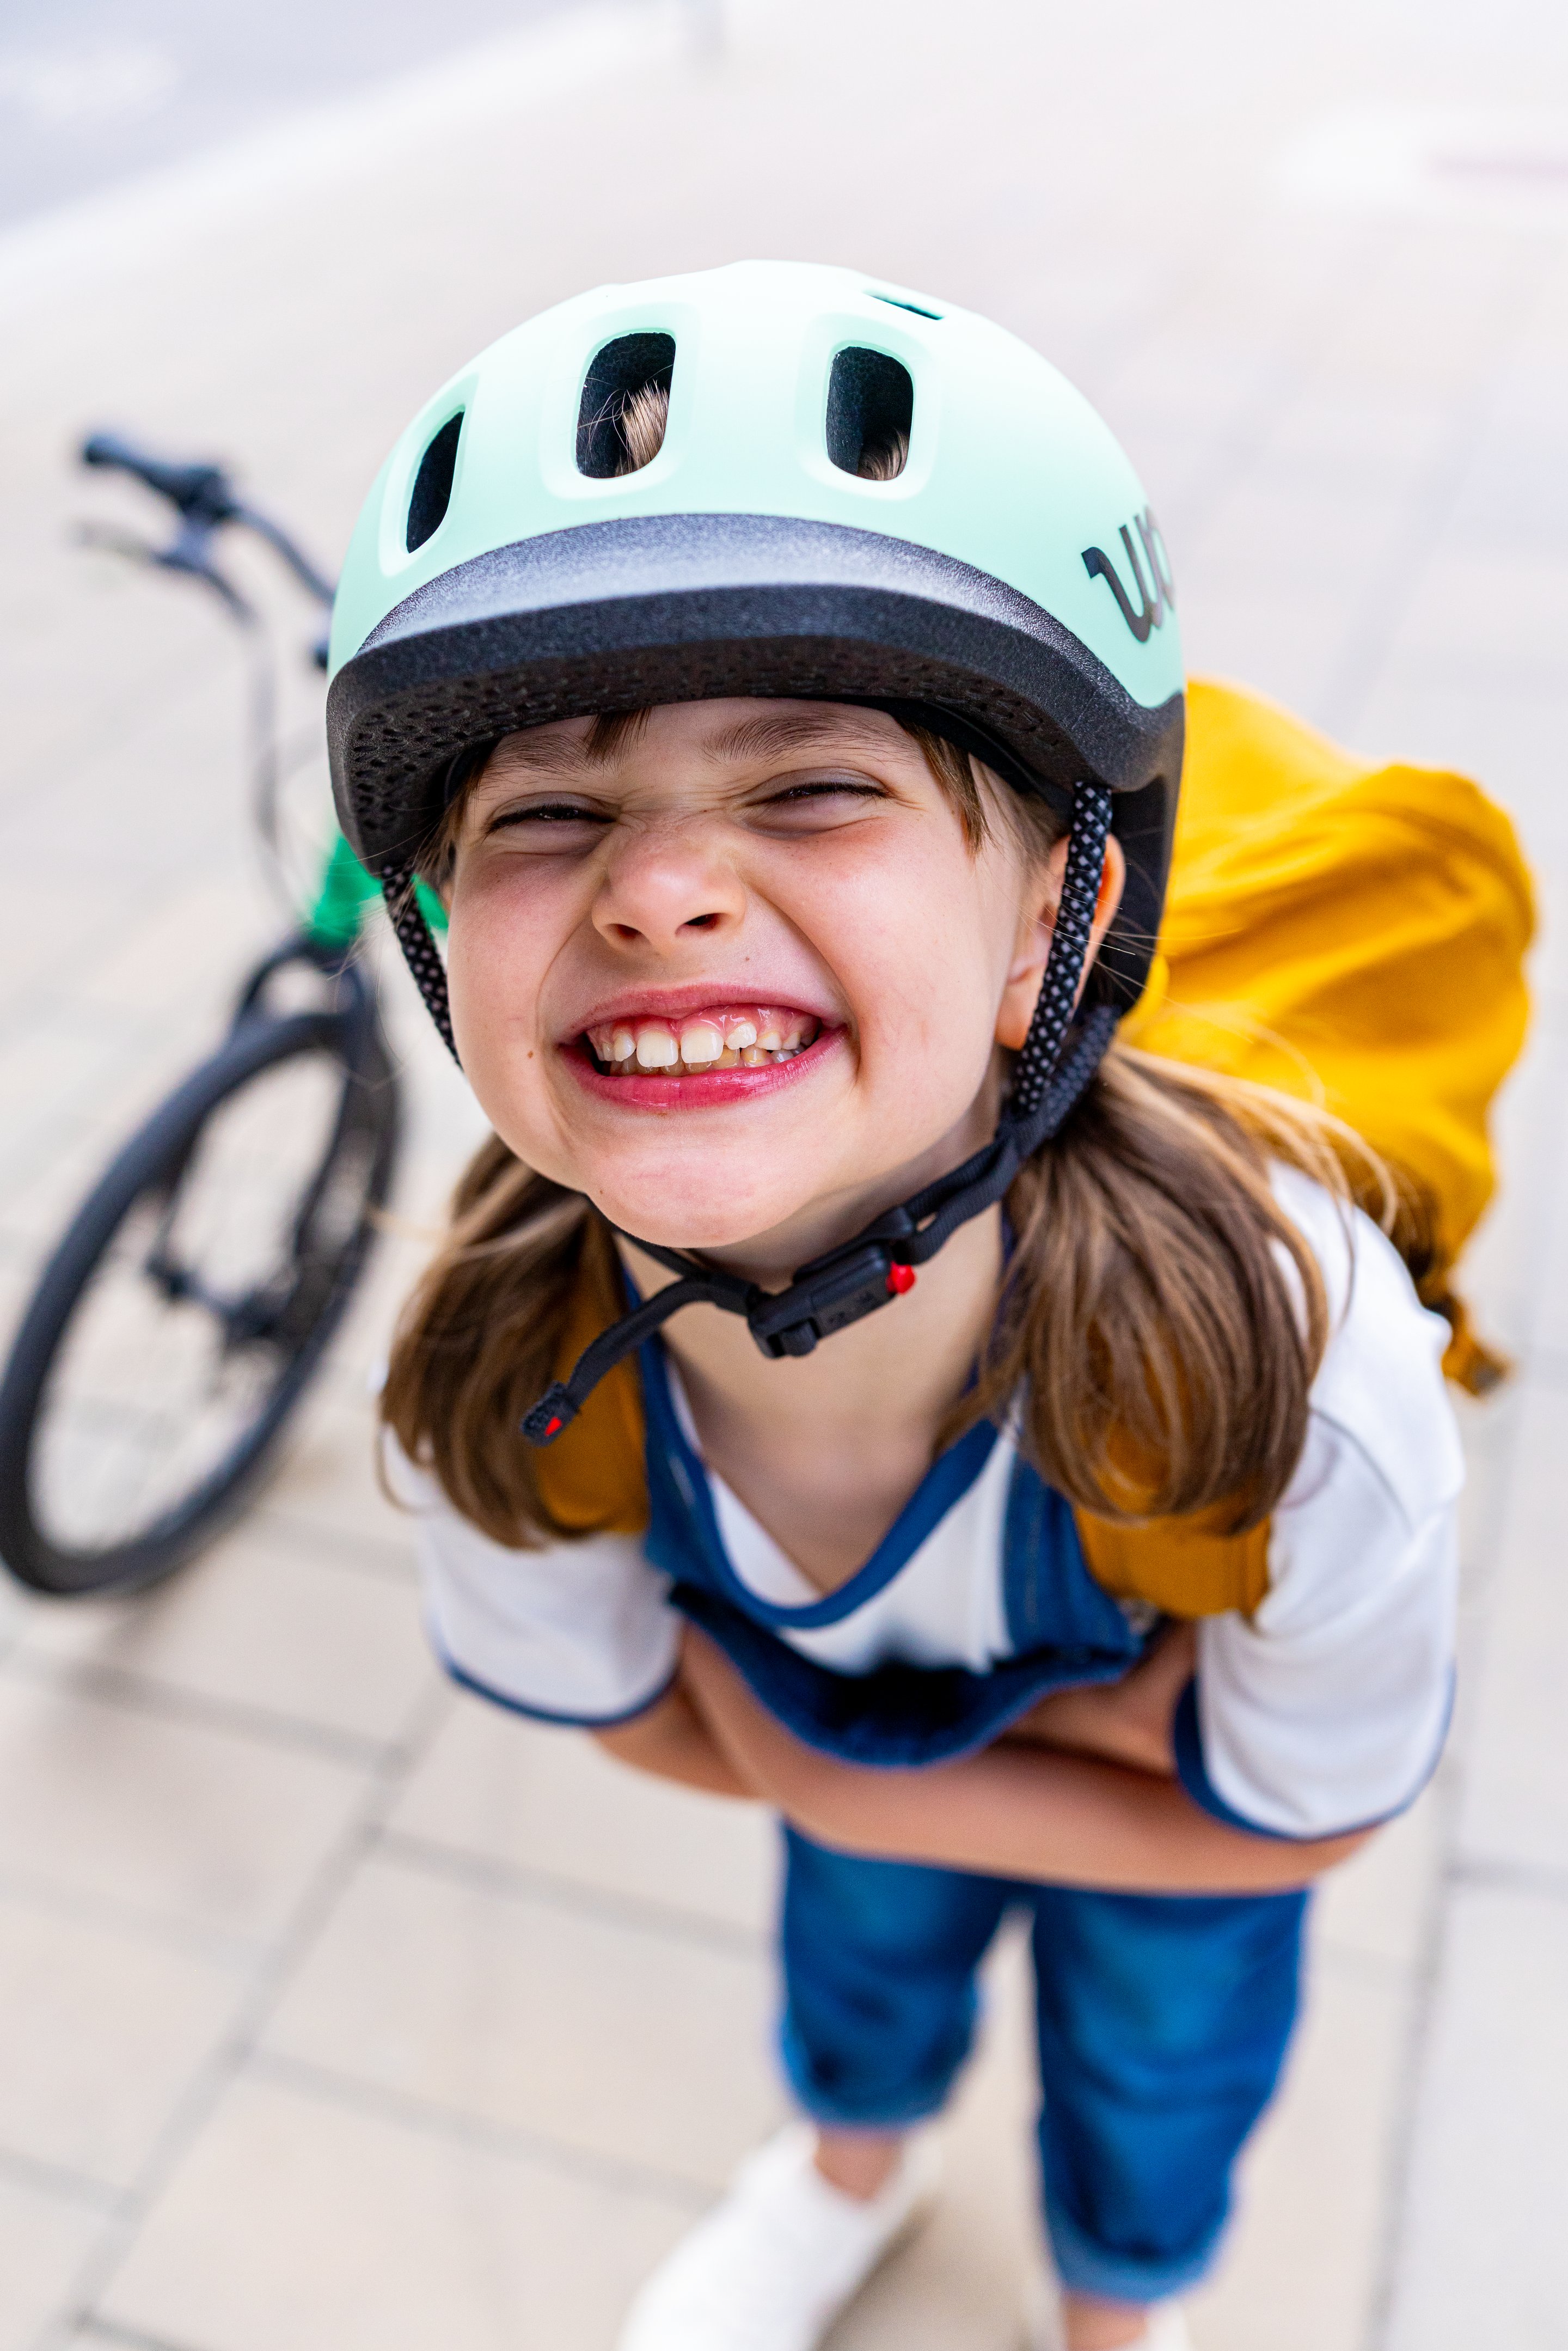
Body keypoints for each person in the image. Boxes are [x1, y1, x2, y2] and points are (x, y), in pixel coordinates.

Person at [325, 262, 1461, 2351]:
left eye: (814, 786)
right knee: (858, 1963)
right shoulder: (503, 1355)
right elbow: (628, 1721)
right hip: (1047, 1776)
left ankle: (1122, 2312)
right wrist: (1047, 1766)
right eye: (546, 812)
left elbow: (1312, 1822)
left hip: (1159, 1859)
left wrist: (835, 1757)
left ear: (1059, 908)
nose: (655, 890)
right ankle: (851, 2169)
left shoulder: (1308, 1368)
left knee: (1160, 2065)